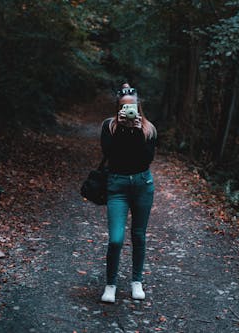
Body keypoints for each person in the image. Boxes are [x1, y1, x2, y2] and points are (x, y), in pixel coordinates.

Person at [100, 84, 157, 303]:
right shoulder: (110, 127)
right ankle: (111, 284)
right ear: (118, 108)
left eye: (131, 106)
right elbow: (110, 153)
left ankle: (136, 281)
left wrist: (135, 129)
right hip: (117, 186)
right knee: (115, 239)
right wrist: (123, 129)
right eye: (124, 107)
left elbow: (146, 158)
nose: (128, 110)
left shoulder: (148, 128)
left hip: (143, 184)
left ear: (138, 106)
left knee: (139, 235)